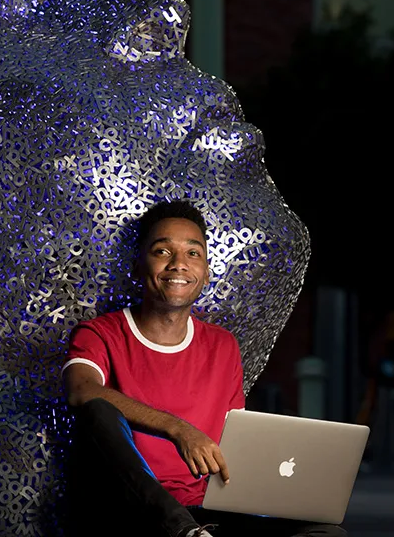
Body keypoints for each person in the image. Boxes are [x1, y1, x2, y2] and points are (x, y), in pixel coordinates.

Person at [62, 199, 347, 537]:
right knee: (99, 410)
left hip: (207, 509)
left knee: (326, 532)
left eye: (193, 253)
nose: (179, 264)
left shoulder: (223, 345)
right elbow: (80, 390)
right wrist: (178, 429)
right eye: (162, 251)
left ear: (206, 271)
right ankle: (185, 532)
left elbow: (235, 440)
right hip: (132, 508)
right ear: (138, 266)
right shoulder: (100, 333)